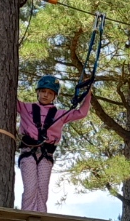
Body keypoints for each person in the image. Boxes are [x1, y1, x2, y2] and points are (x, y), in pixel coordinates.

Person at [16, 75, 91, 213]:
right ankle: (27, 215)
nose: (46, 95)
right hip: (28, 153)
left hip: (46, 155)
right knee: (30, 188)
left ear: (54, 96)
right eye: (43, 91)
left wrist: (88, 91)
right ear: (38, 92)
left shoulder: (60, 114)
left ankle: (40, 217)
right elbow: (11, 100)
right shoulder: (26, 108)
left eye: (50, 93)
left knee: (43, 190)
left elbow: (82, 112)